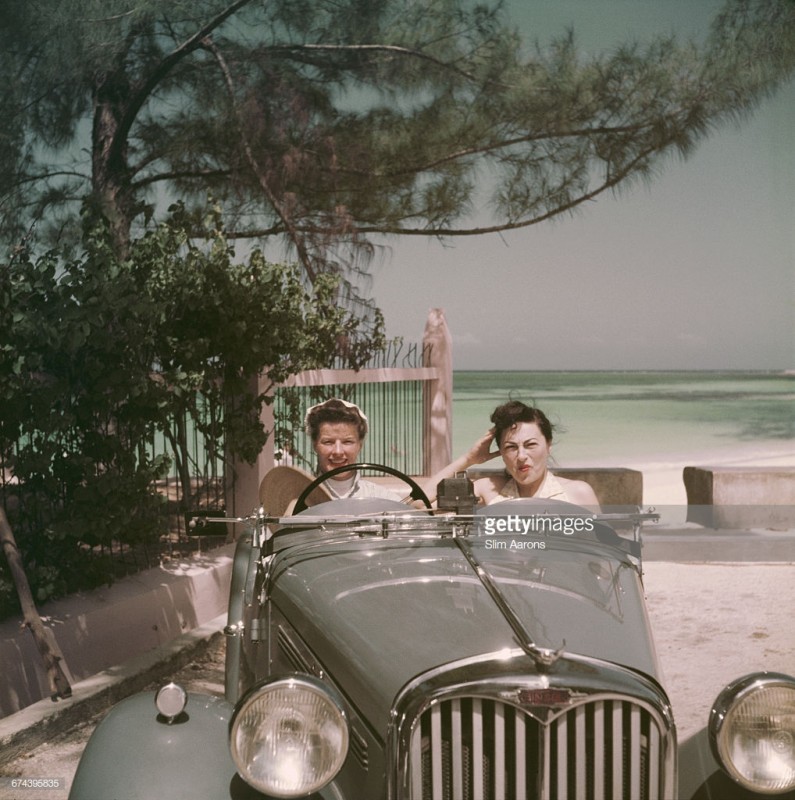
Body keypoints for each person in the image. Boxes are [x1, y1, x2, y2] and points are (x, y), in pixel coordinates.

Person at [429, 400, 600, 508]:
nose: (521, 456)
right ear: (501, 452)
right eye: (511, 447)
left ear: (548, 445)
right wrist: (468, 459)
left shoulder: (577, 493)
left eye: (530, 445)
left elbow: (604, 557)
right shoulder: (489, 490)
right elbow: (418, 503)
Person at [304, 398, 404, 502]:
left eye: (347, 442)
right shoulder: (299, 498)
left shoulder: (383, 498)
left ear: (360, 445)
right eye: (328, 442)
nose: (338, 452)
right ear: (315, 445)